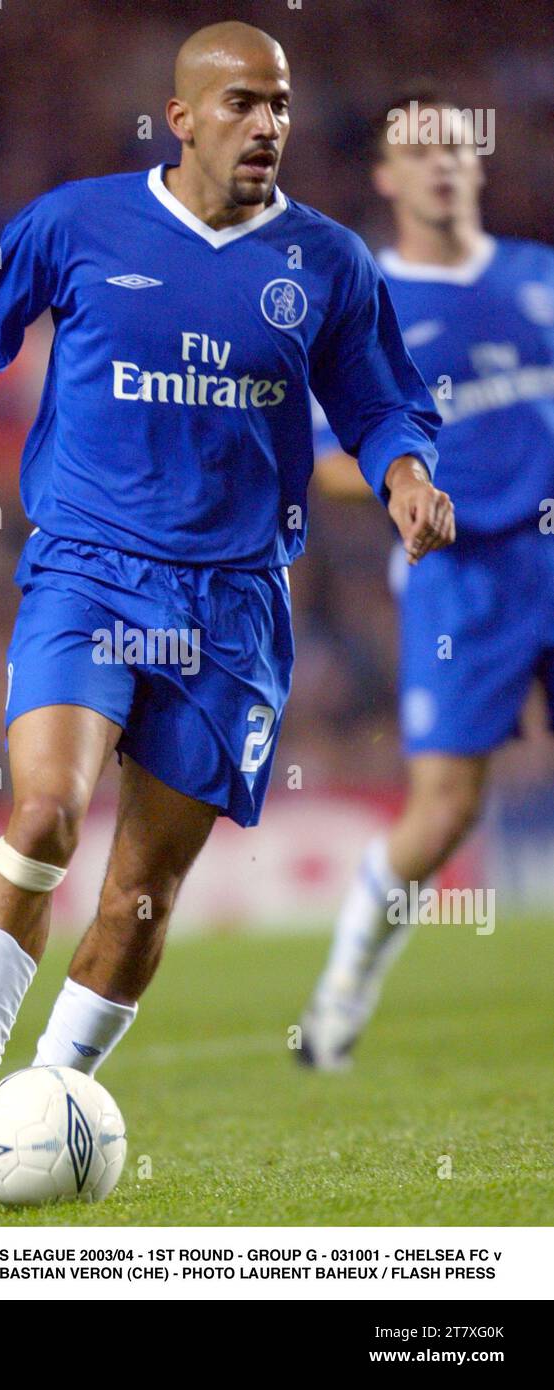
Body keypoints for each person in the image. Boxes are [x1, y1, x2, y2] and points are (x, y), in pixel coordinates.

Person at [0, 26, 450, 1203]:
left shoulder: (325, 262)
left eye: (280, 104)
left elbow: (384, 402)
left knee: (139, 896)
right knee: (41, 812)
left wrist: (404, 478)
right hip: (88, 570)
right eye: (242, 103)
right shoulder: (76, 224)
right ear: (180, 118)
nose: (268, 125)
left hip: (234, 606)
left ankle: (42, 1108)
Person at [300, 90, 554, 1069]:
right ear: (387, 178)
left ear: (477, 164)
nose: (441, 163)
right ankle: (343, 986)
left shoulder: (540, 276)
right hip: (463, 581)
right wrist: (404, 488)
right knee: (445, 808)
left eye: (454, 147)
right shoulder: (367, 310)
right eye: (419, 151)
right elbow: (322, 458)